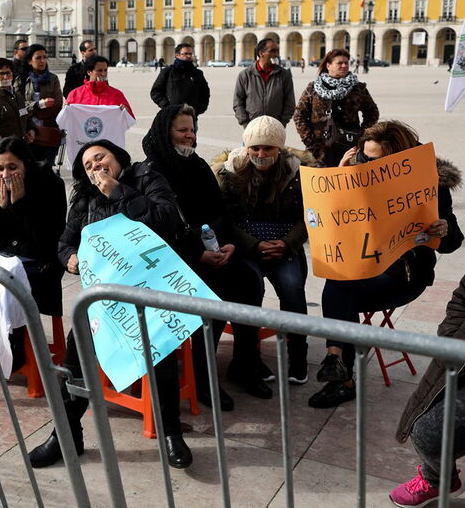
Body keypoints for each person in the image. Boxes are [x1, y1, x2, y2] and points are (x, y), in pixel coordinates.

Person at [28, 139, 190, 470]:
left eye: (100, 158)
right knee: (75, 357)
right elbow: (64, 242)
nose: (95, 167)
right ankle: (65, 434)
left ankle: (171, 432)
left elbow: (166, 220)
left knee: (159, 352)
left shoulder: (145, 179)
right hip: (104, 301)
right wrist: (70, 258)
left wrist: (119, 192)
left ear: (117, 158)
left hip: (149, 294)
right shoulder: (85, 199)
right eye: (87, 166)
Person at [309, 121, 462, 409]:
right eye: (365, 157)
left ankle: (340, 373)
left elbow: (454, 242)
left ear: (398, 159)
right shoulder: (356, 169)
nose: (367, 163)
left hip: (403, 275)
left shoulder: (429, 181)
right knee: (339, 282)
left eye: (375, 160)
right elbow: (326, 221)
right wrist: (339, 182)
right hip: (360, 265)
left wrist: (443, 230)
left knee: (341, 290)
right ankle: (337, 363)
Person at [142, 104, 267, 408]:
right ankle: (202, 376)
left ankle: (244, 363)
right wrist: (197, 254)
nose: (189, 136)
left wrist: (227, 244)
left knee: (250, 282)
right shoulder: (151, 171)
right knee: (213, 294)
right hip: (175, 258)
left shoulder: (196, 165)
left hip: (211, 250)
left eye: (192, 129)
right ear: (165, 132)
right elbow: (159, 226)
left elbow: (220, 211)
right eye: (182, 130)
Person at [214, 116, 311, 385]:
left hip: (284, 241)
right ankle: (249, 358)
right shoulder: (230, 173)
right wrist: (253, 245)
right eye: (254, 147)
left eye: (268, 148)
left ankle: (298, 355)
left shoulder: (297, 173)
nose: (260, 154)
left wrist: (288, 242)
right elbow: (226, 219)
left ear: (279, 148)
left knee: (292, 289)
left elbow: (309, 216)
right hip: (247, 242)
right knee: (250, 287)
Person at [391, 273, 465, 507]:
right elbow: (461, 298)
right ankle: (437, 480)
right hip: (459, 357)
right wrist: (451, 336)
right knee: (426, 430)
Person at [0, 136, 66, 317]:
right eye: (0, 168)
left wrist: (20, 205)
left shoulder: (50, 184)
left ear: (25, 165)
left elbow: (47, 239)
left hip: (40, 263)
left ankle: (13, 342)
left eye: (13, 168)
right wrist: (0, 209)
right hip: (4, 257)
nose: (5, 175)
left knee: (4, 292)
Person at [293, 48, 379, 166]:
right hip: (319, 149)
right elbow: (299, 115)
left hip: (349, 148)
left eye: (346, 63)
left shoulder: (358, 88)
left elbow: (372, 112)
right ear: (328, 65)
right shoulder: (313, 88)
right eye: (339, 63)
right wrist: (311, 143)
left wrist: (362, 135)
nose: (344, 66)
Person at [233, 38, 295, 128]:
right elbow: (238, 102)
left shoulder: (284, 75)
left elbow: (290, 102)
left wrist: (282, 123)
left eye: (277, 51)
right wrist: (246, 124)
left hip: (276, 128)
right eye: (272, 51)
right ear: (261, 53)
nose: (276, 54)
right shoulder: (245, 75)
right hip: (252, 128)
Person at [17, 43, 63, 166]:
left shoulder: (53, 79)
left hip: (48, 128)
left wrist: (41, 113)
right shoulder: (20, 80)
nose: (42, 61)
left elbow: (58, 103)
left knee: (46, 168)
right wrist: (38, 105)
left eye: (44, 57)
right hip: (27, 131)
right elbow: (18, 105)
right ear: (29, 61)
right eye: (38, 58)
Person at [150, 43, 211, 116]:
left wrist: (198, 109)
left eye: (190, 54)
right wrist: (167, 107)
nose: (189, 56)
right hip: (171, 115)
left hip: (191, 116)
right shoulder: (167, 72)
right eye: (185, 54)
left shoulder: (197, 73)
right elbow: (155, 91)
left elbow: (205, 93)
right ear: (177, 55)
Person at [64, 54, 134, 117]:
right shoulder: (75, 94)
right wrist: (67, 110)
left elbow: (129, 119)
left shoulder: (117, 94)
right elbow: (65, 120)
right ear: (89, 72)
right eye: (99, 70)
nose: (103, 74)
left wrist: (125, 112)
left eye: (105, 70)